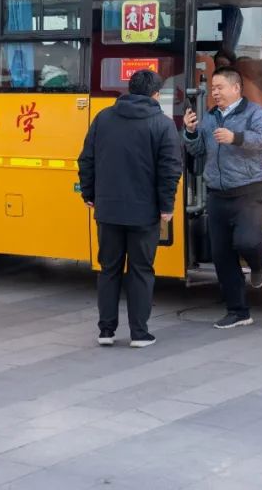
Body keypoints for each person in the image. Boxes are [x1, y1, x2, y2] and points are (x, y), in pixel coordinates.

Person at [78, 69, 183, 348]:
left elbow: (86, 159)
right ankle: (139, 333)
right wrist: (166, 206)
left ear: (129, 89)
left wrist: (89, 194)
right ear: (156, 94)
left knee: (109, 269)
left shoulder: (103, 118)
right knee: (140, 270)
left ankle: (106, 331)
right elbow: (170, 169)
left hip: (108, 210)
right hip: (144, 212)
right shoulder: (162, 124)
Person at [183, 67, 262, 329]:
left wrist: (236, 138)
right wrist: (190, 132)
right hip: (217, 194)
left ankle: (258, 261)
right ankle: (238, 311)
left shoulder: (253, 113)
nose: (215, 92)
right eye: (213, 88)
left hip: (248, 190)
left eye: (220, 87)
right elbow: (198, 149)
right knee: (222, 256)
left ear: (236, 88)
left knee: (246, 242)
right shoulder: (210, 117)